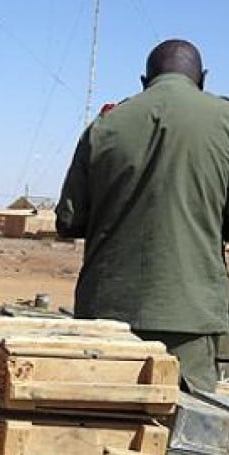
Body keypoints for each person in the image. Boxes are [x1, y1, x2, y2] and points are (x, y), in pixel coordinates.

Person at [55, 39, 229, 393]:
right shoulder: (224, 121)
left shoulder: (105, 125)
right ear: (204, 79)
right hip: (190, 319)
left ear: (143, 81)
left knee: (100, 426)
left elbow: (68, 223)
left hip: (105, 317)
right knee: (185, 438)